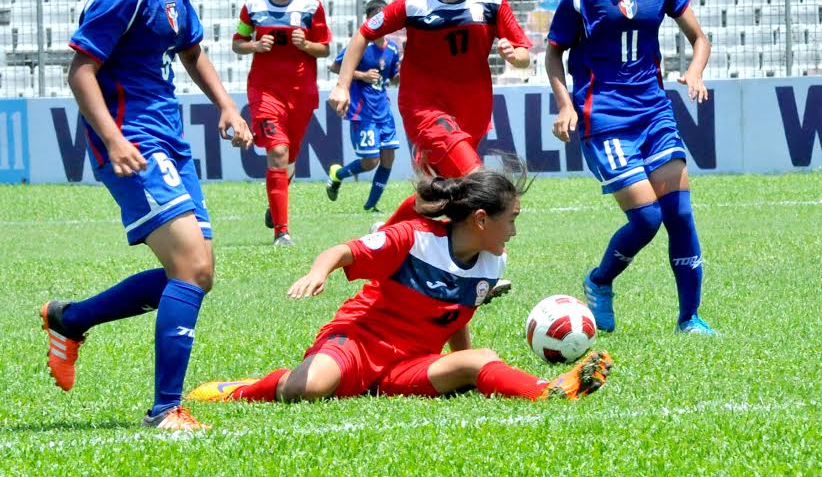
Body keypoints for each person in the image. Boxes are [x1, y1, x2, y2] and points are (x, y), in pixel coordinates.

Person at [40, 0, 253, 431]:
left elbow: (191, 51)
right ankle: (166, 410)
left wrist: (228, 107)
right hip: (134, 142)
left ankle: (71, 319)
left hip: (168, 139)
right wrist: (112, 142)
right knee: (190, 268)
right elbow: (80, 70)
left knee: (197, 272)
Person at [186, 168, 612, 404]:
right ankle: (240, 390)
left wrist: (470, 368)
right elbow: (341, 251)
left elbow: (455, 315)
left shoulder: (492, 261)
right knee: (308, 389)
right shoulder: (414, 238)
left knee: (480, 357)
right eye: (512, 218)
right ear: (481, 219)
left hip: (409, 365)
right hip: (358, 340)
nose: (515, 230)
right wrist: (318, 273)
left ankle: (551, 391)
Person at [546, 0, 715, 335]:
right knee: (646, 218)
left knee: (679, 213)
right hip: (604, 119)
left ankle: (689, 318)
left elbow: (700, 38)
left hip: (654, 111)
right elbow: (553, 53)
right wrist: (565, 106)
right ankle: (600, 281)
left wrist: (694, 73)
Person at [328, 0, 533, 230]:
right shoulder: (414, 6)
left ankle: (383, 236)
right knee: (481, 185)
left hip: (473, 111)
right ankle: (488, 265)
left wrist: (513, 54)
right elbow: (363, 34)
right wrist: (342, 86)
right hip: (425, 109)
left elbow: (523, 54)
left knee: (441, 193)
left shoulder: (492, 1)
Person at [233, 0, 332, 246]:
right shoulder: (253, 6)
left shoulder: (311, 5)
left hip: (301, 94)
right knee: (277, 152)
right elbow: (238, 42)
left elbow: (325, 48)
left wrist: (306, 46)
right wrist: (254, 46)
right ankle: (282, 232)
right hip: (265, 93)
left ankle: (275, 207)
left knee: (289, 160)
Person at [325, 0, 401, 212]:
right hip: (363, 111)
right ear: (368, 20)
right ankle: (337, 175)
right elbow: (334, 66)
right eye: (376, 18)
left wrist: (402, 73)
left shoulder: (392, 49)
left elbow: (393, 78)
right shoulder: (360, 44)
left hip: (383, 110)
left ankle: (371, 205)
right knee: (370, 161)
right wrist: (362, 75)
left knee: (388, 157)